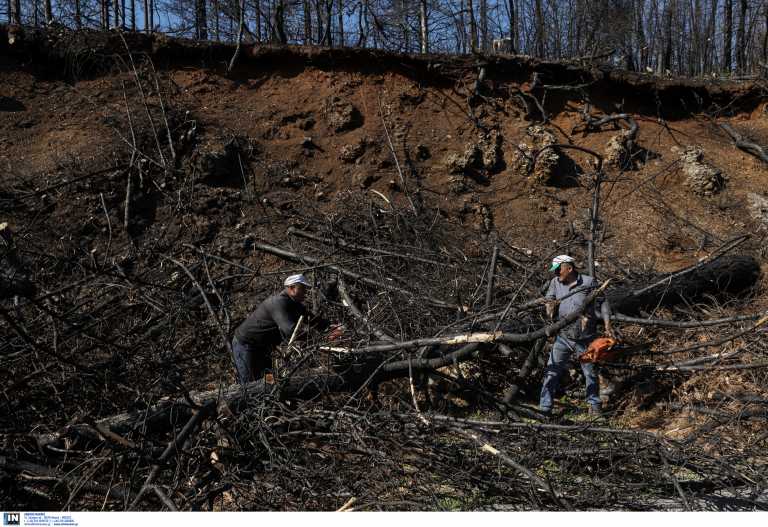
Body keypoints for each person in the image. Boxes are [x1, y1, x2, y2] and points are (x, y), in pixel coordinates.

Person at [539, 255, 613, 417]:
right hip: (563, 336)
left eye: (559, 270)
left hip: (586, 337)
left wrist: (607, 325)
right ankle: (545, 408)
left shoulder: (589, 282)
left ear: (569, 269)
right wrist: (549, 306)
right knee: (552, 371)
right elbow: (549, 298)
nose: (557, 274)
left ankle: (594, 407)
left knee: (590, 373)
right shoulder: (555, 283)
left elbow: (603, 303)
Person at [231, 274, 331, 384]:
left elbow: (313, 320)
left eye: (305, 289)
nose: (305, 292)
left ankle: (269, 397)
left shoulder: (295, 305)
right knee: (248, 382)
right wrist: (315, 338)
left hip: (263, 347)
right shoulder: (278, 303)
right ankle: (246, 399)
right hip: (245, 345)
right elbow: (290, 330)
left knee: (269, 380)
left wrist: (330, 327)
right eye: (302, 289)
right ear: (291, 288)